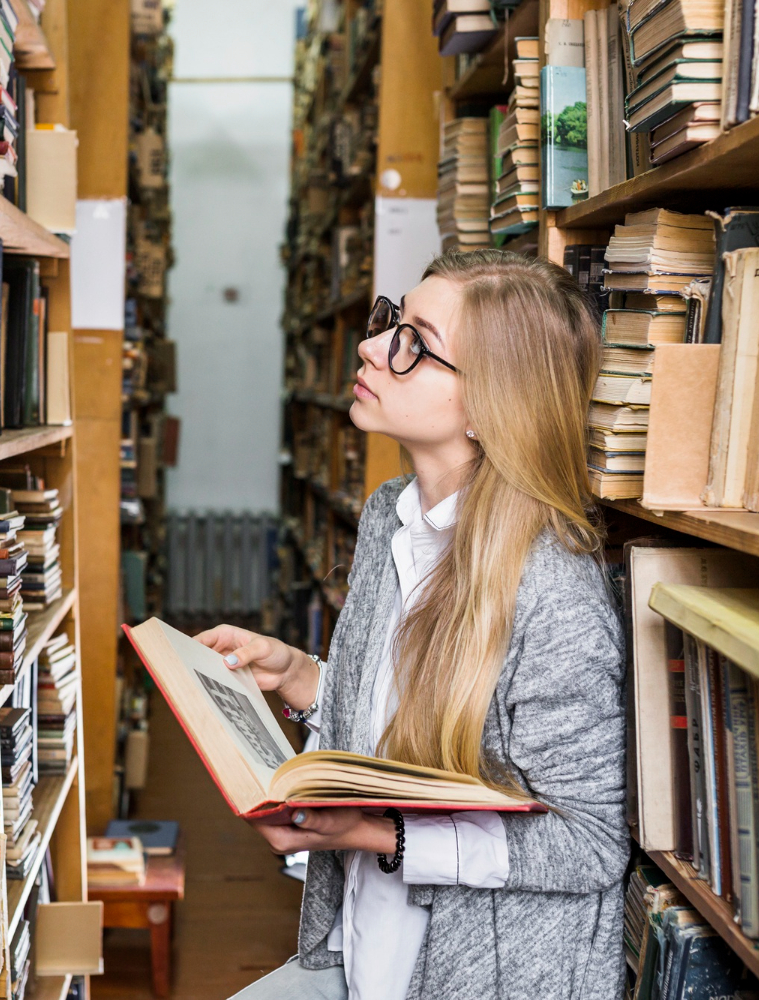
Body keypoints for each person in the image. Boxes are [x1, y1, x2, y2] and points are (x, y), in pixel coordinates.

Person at [198, 250, 628, 1000]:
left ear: (491, 402)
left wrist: (375, 834)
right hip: (364, 949)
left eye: (413, 343)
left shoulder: (554, 592)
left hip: (479, 975)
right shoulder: (388, 516)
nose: (370, 347)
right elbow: (412, 728)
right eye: (389, 321)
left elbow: (590, 844)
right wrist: (299, 675)